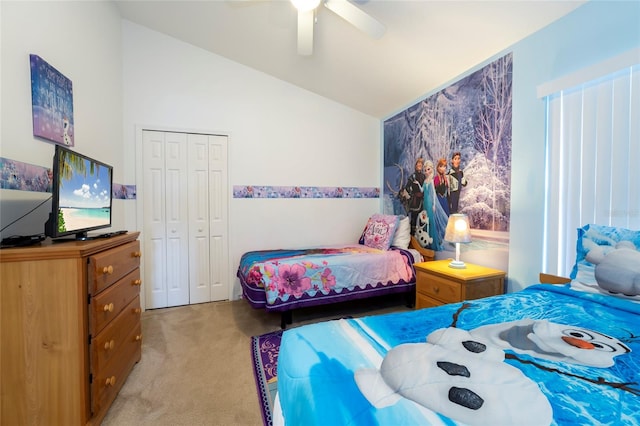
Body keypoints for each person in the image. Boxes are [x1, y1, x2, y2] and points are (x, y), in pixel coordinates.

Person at [421, 160, 449, 251]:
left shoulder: (432, 180)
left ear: (431, 169)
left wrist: (433, 204)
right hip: (425, 202)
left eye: (428, 169)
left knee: (431, 221)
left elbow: (433, 193)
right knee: (426, 220)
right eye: (425, 170)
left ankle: (433, 242)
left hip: (429, 202)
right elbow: (422, 190)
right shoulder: (425, 180)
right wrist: (417, 184)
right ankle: (427, 241)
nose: (426, 171)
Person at [403, 157, 426, 235]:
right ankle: (412, 235)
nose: (419, 165)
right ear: (415, 166)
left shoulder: (424, 176)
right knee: (414, 218)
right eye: (418, 164)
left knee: (422, 219)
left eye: (421, 164)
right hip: (415, 201)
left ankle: (421, 235)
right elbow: (407, 187)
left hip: (423, 200)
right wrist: (409, 194)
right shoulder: (412, 176)